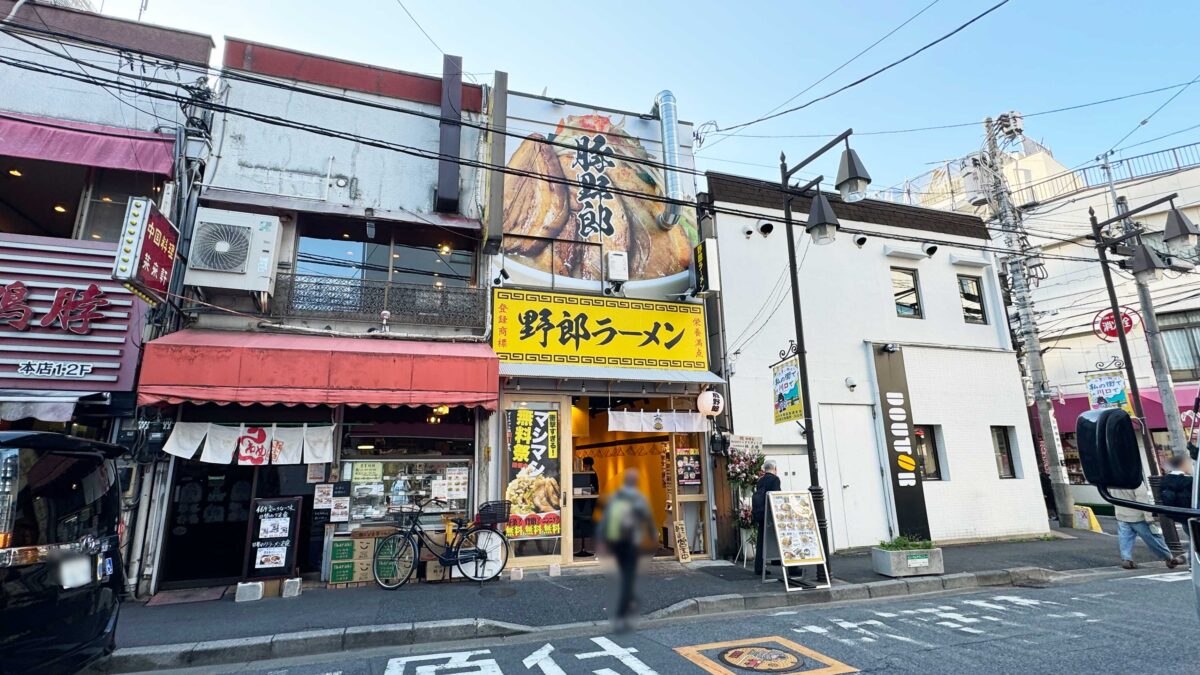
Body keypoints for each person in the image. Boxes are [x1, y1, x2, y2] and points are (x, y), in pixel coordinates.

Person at [599, 468, 654, 629]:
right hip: (631, 541)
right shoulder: (639, 498)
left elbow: (606, 518)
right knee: (629, 572)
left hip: (616, 540)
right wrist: (652, 534)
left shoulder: (615, 496)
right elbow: (648, 518)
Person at [1111, 482, 1185, 569]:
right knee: (1154, 539)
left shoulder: (1113, 482)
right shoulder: (1136, 482)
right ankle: (1168, 558)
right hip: (1137, 516)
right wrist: (1149, 518)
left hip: (1121, 514)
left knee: (1125, 539)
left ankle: (1126, 559)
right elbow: (1143, 501)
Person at [752, 460, 781, 577]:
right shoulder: (775, 479)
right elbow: (776, 496)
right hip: (771, 514)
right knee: (783, 538)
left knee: (761, 540)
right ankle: (791, 568)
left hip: (760, 514)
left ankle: (758, 567)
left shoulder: (760, 481)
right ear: (775, 469)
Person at [1160, 455, 1194, 524]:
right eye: (1189, 464)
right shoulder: (1189, 480)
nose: (1191, 466)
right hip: (1192, 515)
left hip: (1178, 515)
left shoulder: (1166, 479)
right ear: (1182, 465)